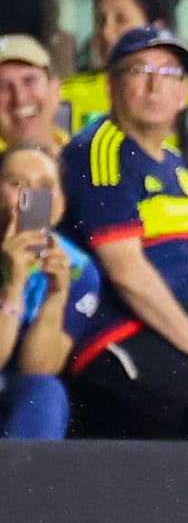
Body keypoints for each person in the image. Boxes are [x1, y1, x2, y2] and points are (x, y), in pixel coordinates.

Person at [59, 27, 188, 442]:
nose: (156, 85)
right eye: (140, 70)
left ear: (183, 92)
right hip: (121, 332)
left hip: (184, 322)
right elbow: (127, 273)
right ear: (111, 85)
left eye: (170, 73)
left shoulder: (173, 163)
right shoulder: (100, 150)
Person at [0, 145, 100, 439]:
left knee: (46, 391)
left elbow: (38, 367)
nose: (29, 200)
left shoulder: (79, 269)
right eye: (16, 184)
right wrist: (13, 284)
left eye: (45, 188)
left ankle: (22, 486)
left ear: (60, 205)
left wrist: (56, 296)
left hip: (14, 392)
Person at [60, 0, 188, 132]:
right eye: (100, 21)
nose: (106, 33)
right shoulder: (69, 95)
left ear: (157, 28)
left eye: (121, 20)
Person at [0, 35, 69, 152]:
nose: (20, 97)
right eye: (3, 87)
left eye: (29, 80)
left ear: (55, 90)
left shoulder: (91, 161)